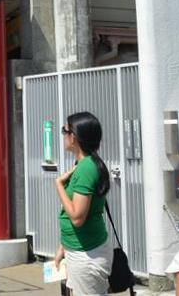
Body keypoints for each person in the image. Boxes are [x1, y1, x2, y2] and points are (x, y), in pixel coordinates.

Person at [53, 111, 112, 296]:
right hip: (79, 250)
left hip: (87, 255)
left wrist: (58, 185)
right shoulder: (83, 164)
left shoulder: (86, 168)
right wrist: (64, 245)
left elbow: (77, 217)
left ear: (75, 137)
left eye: (65, 130)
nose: (63, 135)